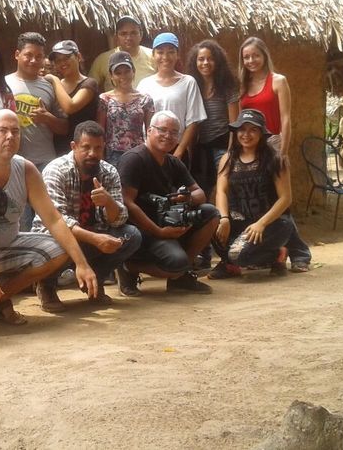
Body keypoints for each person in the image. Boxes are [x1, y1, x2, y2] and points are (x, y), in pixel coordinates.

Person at [0, 110, 99, 332]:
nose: (10, 137)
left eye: (15, 132)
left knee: (60, 249)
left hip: (4, 243)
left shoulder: (26, 170)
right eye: (2, 130)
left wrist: (82, 264)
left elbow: (53, 220)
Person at [34, 121, 141, 311]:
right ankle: (46, 285)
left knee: (131, 236)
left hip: (93, 237)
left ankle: (94, 281)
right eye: (86, 147)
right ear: (74, 147)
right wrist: (96, 239)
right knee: (55, 242)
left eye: (98, 148)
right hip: (57, 237)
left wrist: (109, 202)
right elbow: (57, 221)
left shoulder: (109, 172)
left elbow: (119, 219)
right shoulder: (56, 170)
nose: (93, 153)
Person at [117, 111, 219, 296]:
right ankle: (128, 267)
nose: (168, 136)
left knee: (210, 212)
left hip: (170, 223)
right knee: (175, 264)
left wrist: (185, 198)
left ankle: (180, 276)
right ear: (149, 131)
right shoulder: (134, 159)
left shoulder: (173, 162)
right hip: (142, 230)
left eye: (174, 132)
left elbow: (200, 194)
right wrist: (158, 231)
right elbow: (127, 204)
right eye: (162, 130)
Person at [210, 110, 312, 278]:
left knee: (239, 256)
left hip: (272, 223)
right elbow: (221, 191)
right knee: (210, 222)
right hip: (242, 220)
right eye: (242, 129)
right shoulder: (228, 159)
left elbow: (286, 198)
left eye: (253, 130)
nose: (246, 134)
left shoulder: (275, 159)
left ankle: (278, 253)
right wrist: (224, 218)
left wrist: (262, 224)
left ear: (261, 133)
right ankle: (230, 264)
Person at [5, 32, 68, 230]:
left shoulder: (49, 87)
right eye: (28, 55)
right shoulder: (4, 84)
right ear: (17, 54)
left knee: (48, 218)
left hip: (45, 162)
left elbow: (65, 127)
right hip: (14, 163)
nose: (34, 60)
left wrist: (47, 118)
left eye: (39, 56)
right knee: (20, 221)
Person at [136, 32, 207, 163]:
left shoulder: (188, 82)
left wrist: (179, 151)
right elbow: (139, 121)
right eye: (160, 52)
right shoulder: (144, 85)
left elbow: (193, 121)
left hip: (176, 150)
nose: (165, 57)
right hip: (149, 151)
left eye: (170, 52)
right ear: (153, 55)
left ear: (177, 55)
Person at [186, 40, 239, 198]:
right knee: (202, 192)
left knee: (226, 191)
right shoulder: (193, 86)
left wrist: (231, 152)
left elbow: (234, 123)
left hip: (222, 146)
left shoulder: (227, 86)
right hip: (200, 149)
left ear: (218, 61)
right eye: (201, 59)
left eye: (210, 59)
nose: (205, 63)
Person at [96, 51, 155, 168]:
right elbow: (100, 132)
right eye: (118, 73)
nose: (123, 76)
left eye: (127, 71)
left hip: (138, 154)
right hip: (112, 155)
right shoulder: (104, 99)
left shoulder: (145, 99)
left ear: (133, 72)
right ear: (111, 76)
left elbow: (151, 131)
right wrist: (101, 159)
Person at [238, 37, 292, 155]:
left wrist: (283, 152)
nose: (251, 60)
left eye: (256, 55)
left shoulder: (278, 81)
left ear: (264, 56)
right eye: (246, 57)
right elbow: (240, 119)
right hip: (249, 143)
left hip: (272, 142)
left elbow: (286, 118)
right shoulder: (242, 84)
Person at [47, 40, 99, 153]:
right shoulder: (56, 86)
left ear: (78, 57)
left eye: (66, 58)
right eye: (58, 60)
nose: (62, 63)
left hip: (84, 148)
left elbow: (70, 107)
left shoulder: (89, 84)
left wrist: (55, 80)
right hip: (58, 146)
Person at [88, 16, 156, 92]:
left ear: (141, 35)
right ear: (116, 37)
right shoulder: (103, 59)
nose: (128, 38)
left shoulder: (153, 56)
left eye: (133, 33)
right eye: (123, 34)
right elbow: (90, 88)